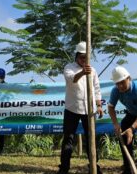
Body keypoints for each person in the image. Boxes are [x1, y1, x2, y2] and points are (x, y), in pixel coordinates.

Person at [57, 42, 103, 174]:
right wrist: (83, 72)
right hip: (72, 109)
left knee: (91, 139)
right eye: (82, 57)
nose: (84, 60)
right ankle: (64, 168)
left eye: (86, 57)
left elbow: (96, 88)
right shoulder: (69, 67)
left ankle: (94, 166)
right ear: (77, 56)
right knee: (68, 139)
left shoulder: (93, 70)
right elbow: (72, 79)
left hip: (89, 110)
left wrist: (99, 105)